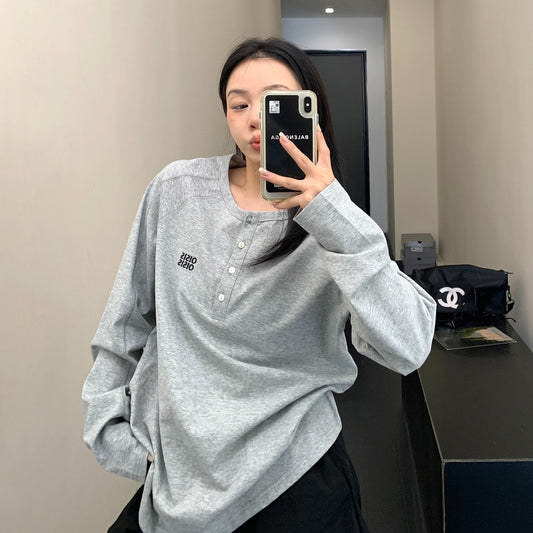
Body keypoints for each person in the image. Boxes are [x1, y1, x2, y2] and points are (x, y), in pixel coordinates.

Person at [82, 37, 436, 533]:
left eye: (274, 103)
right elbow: (124, 322)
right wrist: (112, 433)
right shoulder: (176, 191)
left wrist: (330, 212)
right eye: (239, 104)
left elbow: (409, 345)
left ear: (309, 110)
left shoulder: (336, 226)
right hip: (179, 485)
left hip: (299, 479)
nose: (255, 120)